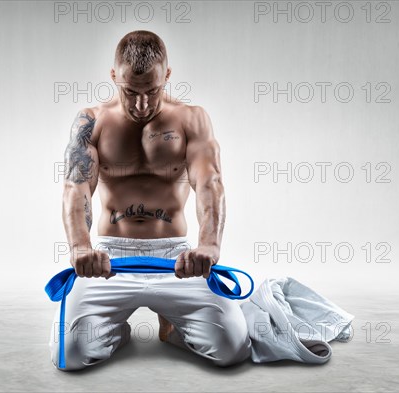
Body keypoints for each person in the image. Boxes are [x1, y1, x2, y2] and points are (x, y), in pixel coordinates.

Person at [50, 30, 252, 370]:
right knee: (69, 355)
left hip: (177, 258)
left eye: (152, 90)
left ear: (167, 75)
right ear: (114, 76)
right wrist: (80, 247)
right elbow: (76, 188)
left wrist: (209, 245)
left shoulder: (192, 119)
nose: (141, 104)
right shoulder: (92, 122)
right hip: (109, 259)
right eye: (130, 91)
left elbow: (210, 182)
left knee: (233, 348)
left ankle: (171, 329)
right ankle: (116, 329)